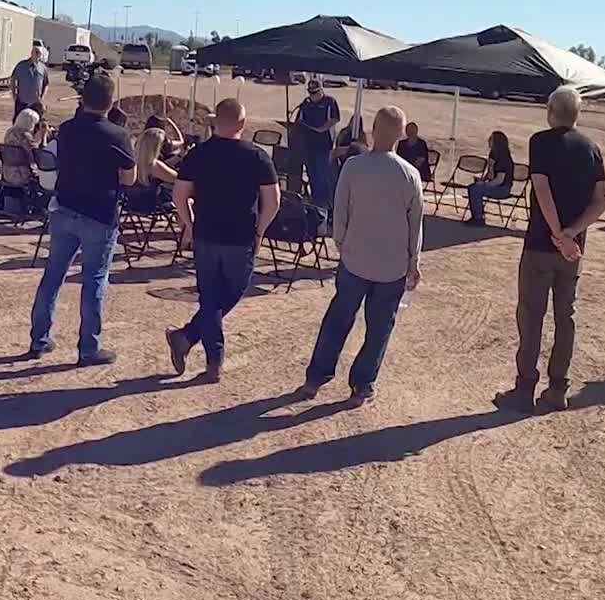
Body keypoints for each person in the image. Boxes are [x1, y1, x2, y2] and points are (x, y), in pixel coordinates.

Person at [496, 86, 605, 414]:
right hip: (573, 252)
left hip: (540, 246)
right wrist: (572, 234)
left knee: (531, 316)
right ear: (577, 115)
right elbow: (603, 201)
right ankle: (558, 389)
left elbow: (541, 189)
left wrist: (557, 232)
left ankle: (524, 390)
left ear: (550, 111)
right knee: (566, 316)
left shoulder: (540, 142)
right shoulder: (592, 148)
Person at [303, 105, 424, 403]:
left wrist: (341, 242)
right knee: (380, 327)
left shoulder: (353, 166)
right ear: (400, 135)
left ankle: (316, 377)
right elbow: (415, 224)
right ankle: (362, 384)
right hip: (392, 265)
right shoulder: (410, 175)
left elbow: (340, 208)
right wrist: (413, 262)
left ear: (373, 128)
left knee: (338, 319)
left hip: (355, 258)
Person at [166, 98, 281, 381]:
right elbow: (273, 200)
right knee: (229, 293)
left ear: (216, 121)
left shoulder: (198, 154)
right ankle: (209, 358)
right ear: (242, 123)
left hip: (206, 233)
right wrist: (260, 231)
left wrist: (189, 224)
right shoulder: (257, 156)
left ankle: (190, 339)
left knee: (211, 297)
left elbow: (179, 195)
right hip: (241, 236)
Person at [29, 70, 138, 365]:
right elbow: (129, 178)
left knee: (53, 275)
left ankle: (39, 338)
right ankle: (88, 348)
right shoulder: (118, 135)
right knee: (93, 281)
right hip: (99, 215)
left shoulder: (67, 130)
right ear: (110, 101)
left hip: (65, 208)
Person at [292, 78, 341, 210]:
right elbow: (299, 120)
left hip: (324, 145)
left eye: (315, 93)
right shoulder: (306, 104)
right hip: (308, 145)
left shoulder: (329, 102)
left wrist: (320, 128)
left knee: (323, 174)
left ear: (321, 90)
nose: (312, 96)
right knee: (312, 173)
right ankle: (315, 201)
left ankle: (324, 204)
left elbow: (334, 119)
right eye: (310, 93)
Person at [464, 131, 517, 226]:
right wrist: (482, 180)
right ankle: (476, 216)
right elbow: (490, 172)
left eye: (491, 139)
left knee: (475, 190)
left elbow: (499, 180)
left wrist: (484, 184)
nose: (489, 140)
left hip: (502, 188)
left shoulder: (504, 158)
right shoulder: (493, 154)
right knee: (473, 187)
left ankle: (478, 218)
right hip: (494, 185)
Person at [1, 108, 43, 188]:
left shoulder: (9, 132)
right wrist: (41, 137)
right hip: (22, 174)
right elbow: (35, 154)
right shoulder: (25, 136)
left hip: (7, 172)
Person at [13, 42, 49, 118]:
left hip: (36, 103)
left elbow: (46, 84)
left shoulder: (42, 68)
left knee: (35, 124)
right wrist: (14, 95)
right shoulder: (21, 66)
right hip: (22, 101)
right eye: (35, 52)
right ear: (31, 53)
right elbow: (13, 80)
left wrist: (42, 98)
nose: (37, 55)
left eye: (39, 53)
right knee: (20, 123)